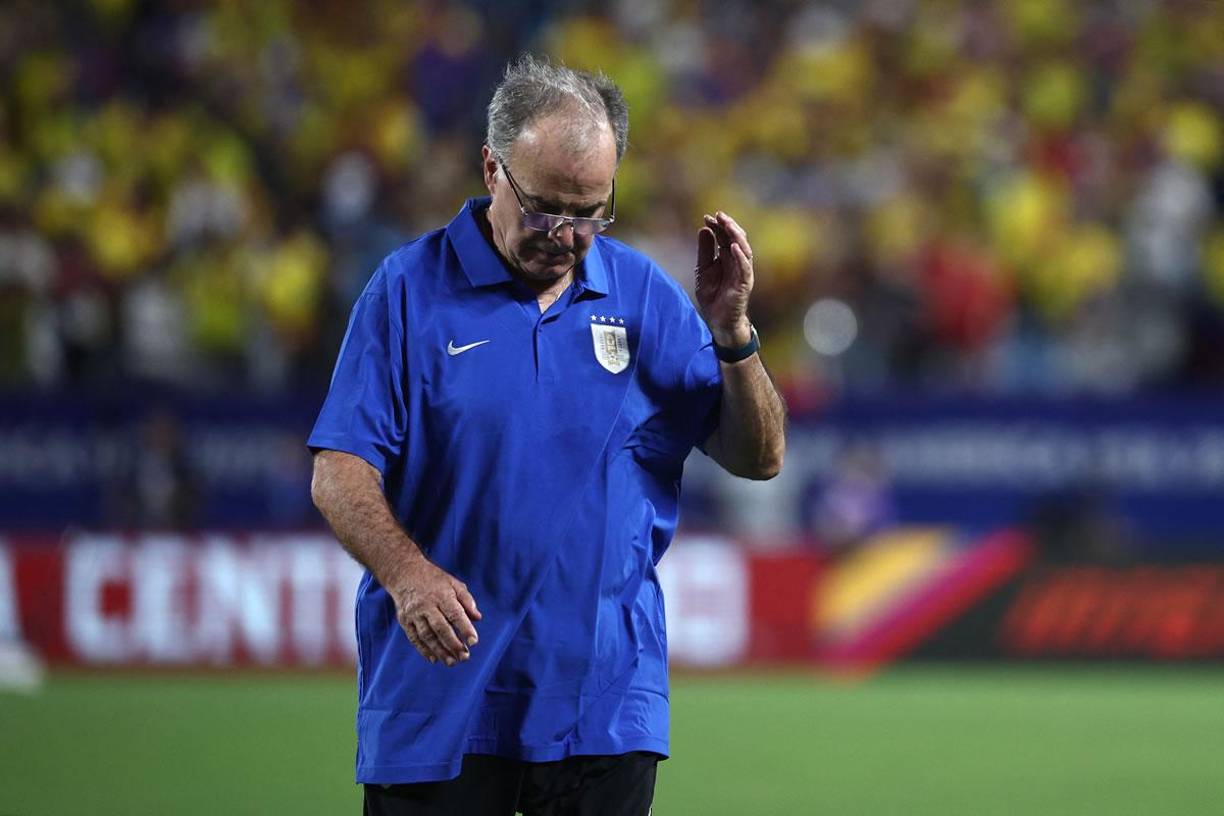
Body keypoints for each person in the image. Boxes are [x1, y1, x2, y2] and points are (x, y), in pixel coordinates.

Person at [309, 54, 786, 816]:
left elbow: (760, 458)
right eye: (547, 209)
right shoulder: (406, 292)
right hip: (440, 705)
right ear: (492, 168)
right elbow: (338, 470)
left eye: (593, 212)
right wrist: (407, 575)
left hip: (602, 712)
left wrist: (731, 333)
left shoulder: (642, 297)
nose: (568, 236)